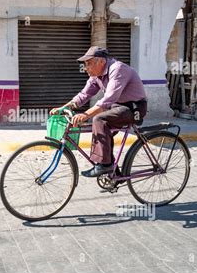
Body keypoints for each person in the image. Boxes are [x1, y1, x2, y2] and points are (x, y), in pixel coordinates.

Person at [50, 46, 148, 177]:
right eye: (85, 64)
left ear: (101, 62)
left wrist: (85, 115)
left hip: (133, 108)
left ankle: (104, 166)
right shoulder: (96, 75)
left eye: (89, 63)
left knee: (99, 120)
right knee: (102, 134)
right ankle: (114, 174)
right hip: (116, 107)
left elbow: (108, 99)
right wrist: (64, 108)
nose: (86, 68)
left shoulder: (118, 69)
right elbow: (83, 95)